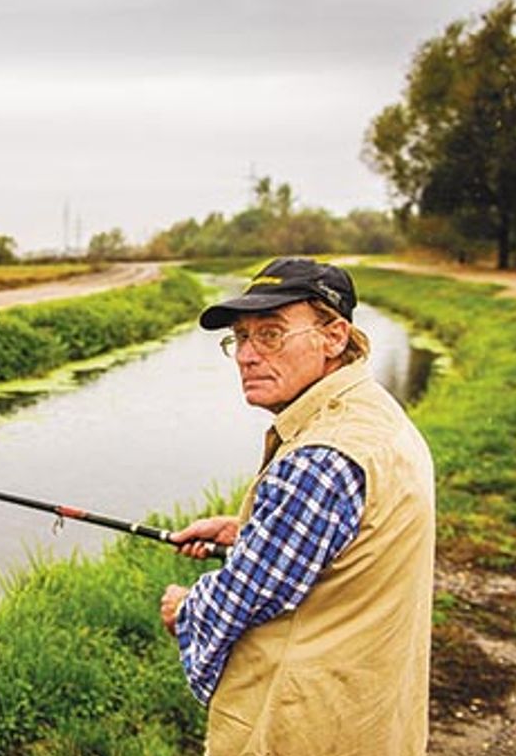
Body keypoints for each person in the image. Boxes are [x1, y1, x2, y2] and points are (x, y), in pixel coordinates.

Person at [159, 257, 435, 755]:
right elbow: (345, 546)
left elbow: (237, 601)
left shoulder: (321, 458)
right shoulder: (371, 411)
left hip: (304, 731)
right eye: (240, 337)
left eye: (270, 334)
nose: (246, 356)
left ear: (333, 337)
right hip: (368, 717)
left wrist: (185, 607)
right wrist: (250, 533)